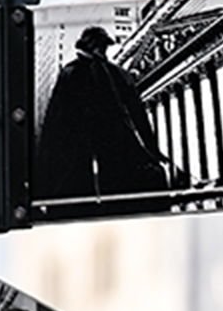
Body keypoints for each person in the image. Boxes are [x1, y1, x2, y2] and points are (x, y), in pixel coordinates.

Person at [35, 26, 173, 199]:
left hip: (101, 152)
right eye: (100, 45)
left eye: (103, 46)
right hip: (94, 152)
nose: (102, 50)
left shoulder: (78, 73)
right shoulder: (110, 74)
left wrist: (152, 149)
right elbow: (139, 117)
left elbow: (54, 122)